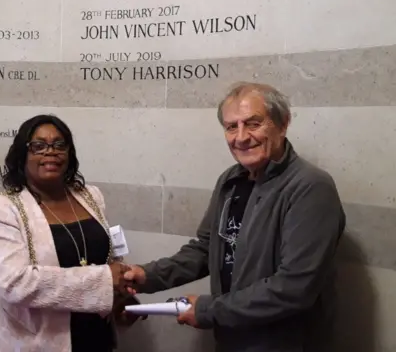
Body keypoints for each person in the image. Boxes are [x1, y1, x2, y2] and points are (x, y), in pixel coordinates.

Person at [124, 82, 346, 352]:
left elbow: (295, 287)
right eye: (231, 127)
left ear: (283, 123)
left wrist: (207, 310)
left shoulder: (311, 187)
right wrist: (147, 275)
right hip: (231, 340)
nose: (241, 137)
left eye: (253, 123)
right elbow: (207, 250)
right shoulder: (230, 180)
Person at [0, 114, 144, 352]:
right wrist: (105, 281)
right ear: (22, 155)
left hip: (97, 339)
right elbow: (15, 284)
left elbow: (109, 258)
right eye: (38, 146)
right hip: (36, 345)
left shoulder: (90, 196)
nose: (50, 152)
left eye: (59, 145)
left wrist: (119, 299)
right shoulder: (1, 210)